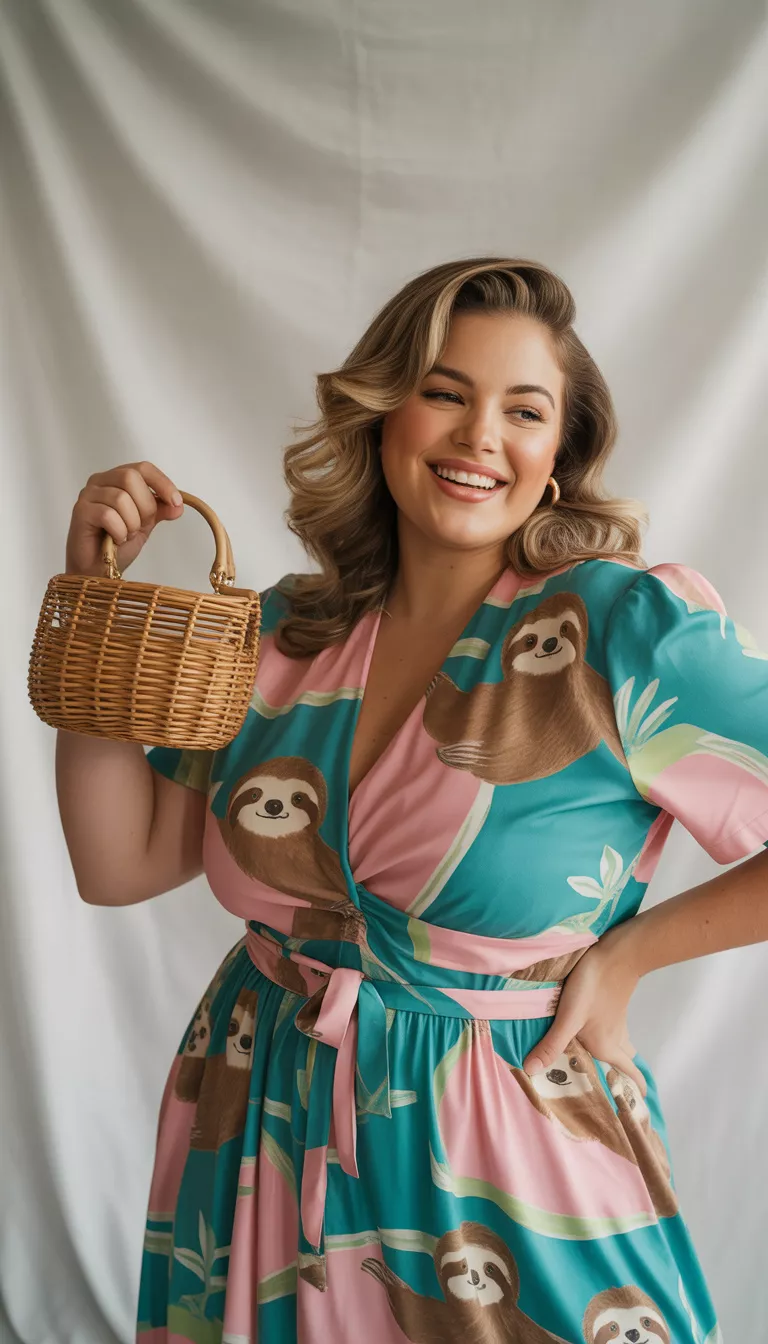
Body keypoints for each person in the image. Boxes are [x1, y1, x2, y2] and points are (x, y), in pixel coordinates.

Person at [57, 258, 768, 1344]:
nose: (482, 436)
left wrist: (630, 956)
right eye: (446, 391)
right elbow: (120, 863)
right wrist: (98, 606)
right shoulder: (286, 636)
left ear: (558, 456)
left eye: (523, 410)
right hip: (261, 1126)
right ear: (383, 411)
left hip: (503, 1178)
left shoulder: (620, 630)